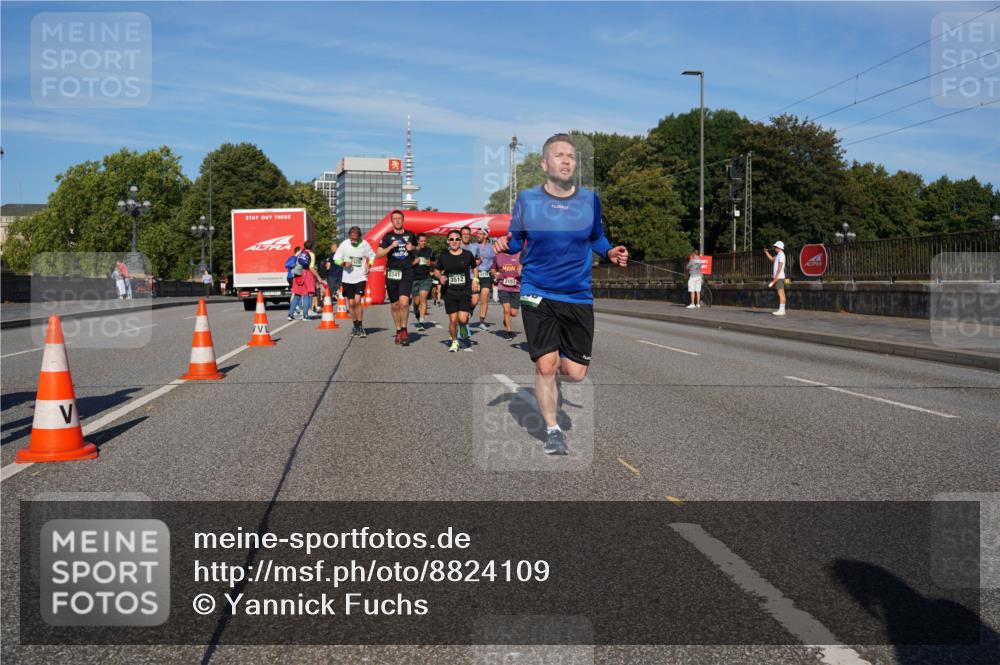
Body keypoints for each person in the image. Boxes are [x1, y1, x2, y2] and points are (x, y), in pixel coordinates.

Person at [494, 133, 628, 455]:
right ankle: (552, 429)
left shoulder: (589, 200)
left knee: (575, 373)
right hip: (537, 290)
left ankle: (554, 380)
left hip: (577, 295)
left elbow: (597, 237)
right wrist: (503, 244)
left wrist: (610, 252)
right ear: (544, 164)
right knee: (546, 365)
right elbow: (516, 240)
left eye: (571, 155)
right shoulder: (528, 200)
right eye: (559, 155)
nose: (567, 160)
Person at [376, 210, 417, 346]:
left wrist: (413, 248)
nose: (397, 221)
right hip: (392, 273)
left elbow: (417, 252)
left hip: (406, 271)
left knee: (404, 303)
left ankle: (404, 330)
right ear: (392, 221)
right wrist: (390, 247)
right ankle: (398, 330)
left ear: (403, 220)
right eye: (395, 219)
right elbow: (379, 254)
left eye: (400, 218)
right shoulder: (387, 236)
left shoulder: (410, 234)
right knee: (395, 306)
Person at [434, 231, 477, 352]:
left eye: (457, 239)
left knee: (462, 319)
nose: (454, 241)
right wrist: (440, 277)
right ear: (448, 241)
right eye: (451, 239)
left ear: (460, 241)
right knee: (453, 319)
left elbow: (475, 267)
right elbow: (437, 271)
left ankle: (463, 326)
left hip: (464, 291)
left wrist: (475, 280)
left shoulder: (468, 255)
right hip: (449, 292)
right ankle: (454, 342)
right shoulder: (444, 256)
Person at [334, 226, 376, 337]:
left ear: (359, 237)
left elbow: (372, 255)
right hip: (347, 279)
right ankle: (355, 326)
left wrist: (369, 265)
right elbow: (336, 259)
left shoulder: (364, 244)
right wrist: (343, 263)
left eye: (355, 239)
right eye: (351, 239)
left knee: (357, 301)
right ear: (349, 236)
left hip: (360, 277)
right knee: (351, 304)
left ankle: (361, 326)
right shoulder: (344, 244)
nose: (353, 241)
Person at [492, 249, 522, 340]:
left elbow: (524, 268)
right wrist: (495, 274)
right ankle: (508, 332)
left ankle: (506, 318)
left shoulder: (519, 254)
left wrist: (521, 272)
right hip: (503, 287)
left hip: (516, 288)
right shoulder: (498, 256)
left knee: (513, 313)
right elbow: (493, 268)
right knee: (506, 309)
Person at [410, 233, 435, 331]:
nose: (423, 243)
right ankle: (416, 310)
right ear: (417, 241)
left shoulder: (430, 250)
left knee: (423, 298)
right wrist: (413, 263)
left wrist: (431, 263)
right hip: (414, 279)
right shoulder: (411, 251)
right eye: (421, 241)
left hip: (426, 278)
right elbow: (405, 264)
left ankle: (421, 322)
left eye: (424, 241)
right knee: (416, 302)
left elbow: (435, 262)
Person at [474, 228, 496, 330]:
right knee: (474, 300)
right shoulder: (473, 246)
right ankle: (469, 311)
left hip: (487, 275)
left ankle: (482, 321)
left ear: (486, 236)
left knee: (485, 296)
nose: (478, 235)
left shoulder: (492, 248)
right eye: (477, 234)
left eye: (480, 234)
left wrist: (495, 271)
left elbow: (495, 262)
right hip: (475, 275)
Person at [764, 240, 787, 316]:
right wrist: (766, 252)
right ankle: (782, 309)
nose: (774, 248)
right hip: (780, 277)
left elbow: (780, 267)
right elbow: (771, 259)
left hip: (779, 277)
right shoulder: (779, 255)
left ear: (779, 247)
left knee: (780, 293)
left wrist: (776, 278)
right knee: (782, 293)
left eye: (776, 247)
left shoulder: (781, 255)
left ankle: (781, 310)